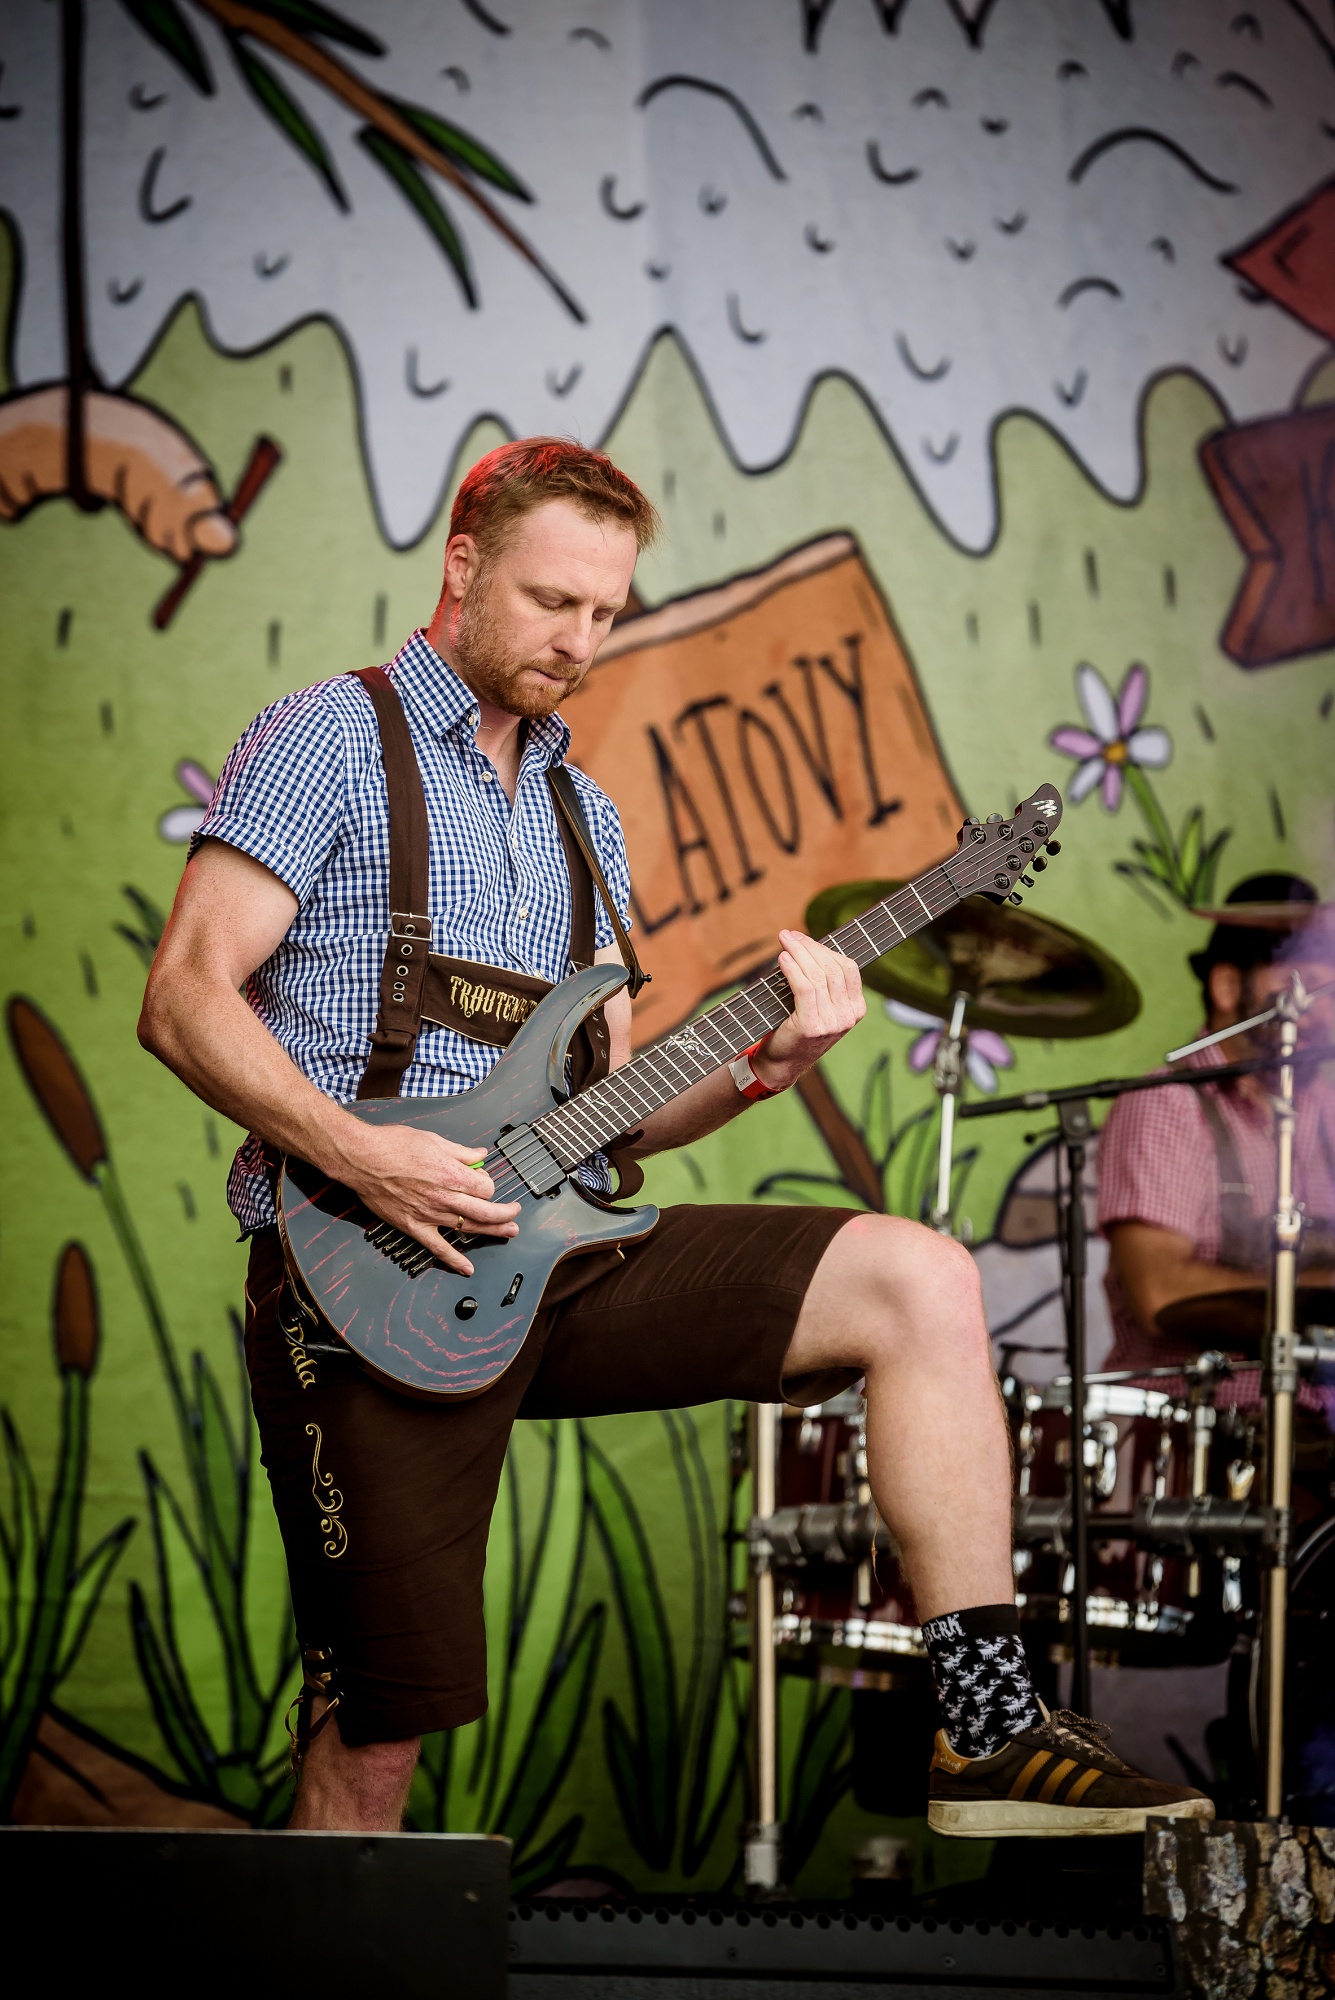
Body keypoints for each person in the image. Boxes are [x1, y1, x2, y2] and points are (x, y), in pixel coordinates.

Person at [139, 437, 1209, 1841]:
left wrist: (769, 1064)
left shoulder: (586, 817)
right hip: (359, 1281)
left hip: (556, 1259)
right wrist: (359, 1151)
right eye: (551, 601)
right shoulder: (327, 738)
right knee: (375, 1733)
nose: (579, 639)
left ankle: (986, 1726)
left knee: (917, 1278)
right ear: (461, 567)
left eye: (604, 611)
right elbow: (184, 997)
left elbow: (616, 1111)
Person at [1099, 873, 1335, 1407]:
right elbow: (1160, 1291)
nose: (1322, 1013)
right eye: (1305, 987)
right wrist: (1317, 1290)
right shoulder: (1167, 1103)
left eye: (1330, 992)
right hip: (1197, 1424)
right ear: (1227, 987)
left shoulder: (1325, 1107)